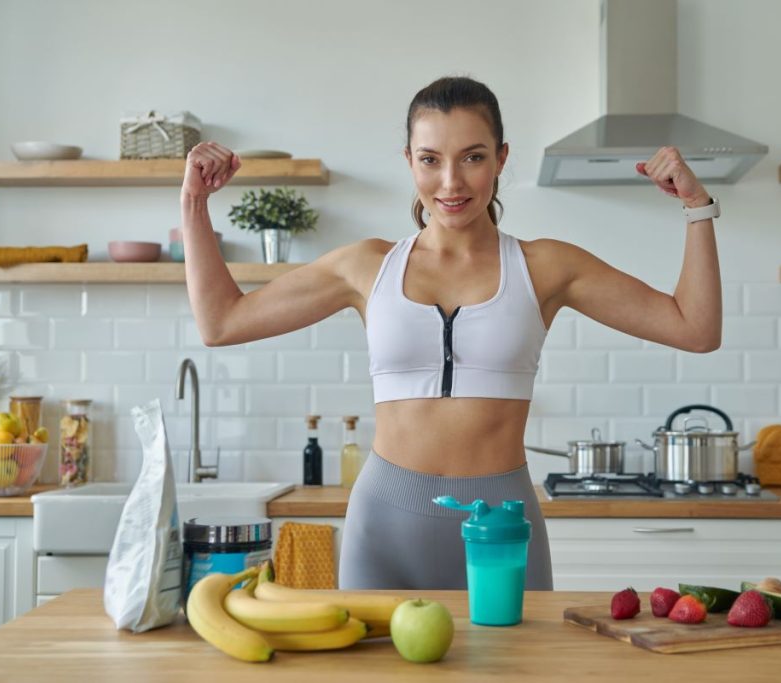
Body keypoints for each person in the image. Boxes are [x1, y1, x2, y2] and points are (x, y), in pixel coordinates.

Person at [179, 76, 721, 591]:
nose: (451, 183)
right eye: (430, 160)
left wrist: (698, 209)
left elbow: (694, 328)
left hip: (502, 528)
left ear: (501, 158)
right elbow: (222, 321)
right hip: (383, 524)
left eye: (473, 157)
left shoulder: (547, 266)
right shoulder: (367, 267)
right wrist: (195, 204)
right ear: (408, 162)